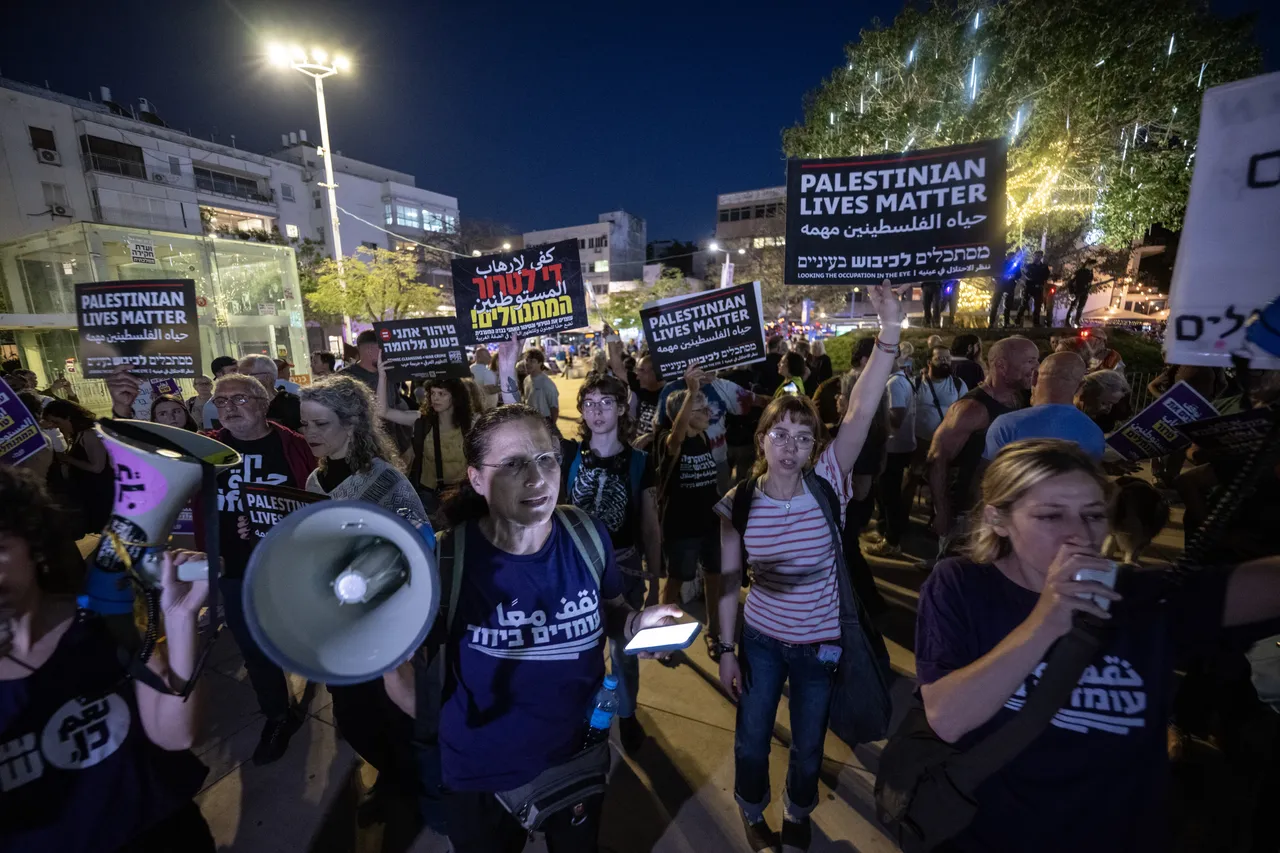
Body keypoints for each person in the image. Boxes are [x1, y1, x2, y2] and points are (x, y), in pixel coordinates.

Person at [914, 438, 1280, 852]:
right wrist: (1046, 620)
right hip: (991, 835)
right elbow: (947, 717)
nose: (1080, 534)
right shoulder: (962, 586)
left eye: (1093, 514)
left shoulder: (1145, 595)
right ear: (999, 518)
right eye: (1051, 515)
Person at [383, 397, 685, 853]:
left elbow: (612, 611)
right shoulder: (445, 560)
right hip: (480, 777)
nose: (537, 477)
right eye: (513, 464)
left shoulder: (586, 534)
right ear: (476, 479)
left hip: (576, 757)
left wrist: (639, 623)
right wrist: (454, 732)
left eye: (546, 458)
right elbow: (401, 671)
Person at [716, 279, 901, 851]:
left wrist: (890, 330)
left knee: (809, 745)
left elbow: (863, 409)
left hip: (821, 642)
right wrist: (725, 650)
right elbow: (726, 583)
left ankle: (798, 813)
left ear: (814, 443)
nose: (791, 445)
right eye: (780, 433)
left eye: (803, 435)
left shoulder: (829, 482)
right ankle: (752, 810)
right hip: (763, 640)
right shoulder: (739, 501)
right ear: (763, 438)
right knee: (751, 740)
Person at [0, 466, 216, 852]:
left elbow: (175, 734)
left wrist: (180, 619)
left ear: (32, 543)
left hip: (168, 834)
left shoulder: (99, 619)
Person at [141, 371, 316, 764]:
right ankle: (276, 715)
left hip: (289, 565)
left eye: (239, 399)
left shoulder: (295, 445)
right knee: (253, 649)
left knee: (304, 635)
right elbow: (153, 467)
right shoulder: (206, 448)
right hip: (232, 566)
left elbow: (315, 499)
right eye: (221, 401)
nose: (229, 408)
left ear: (264, 402)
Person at [297, 375, 434, 827]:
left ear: (352, 424)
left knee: (396, 716)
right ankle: (394, 776)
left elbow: (421, 546)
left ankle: (412, 786)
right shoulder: (314, 480)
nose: (309, 433)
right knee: (354, 720)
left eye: (320, 423)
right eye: (304, 423)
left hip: (389, 622)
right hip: (341, 623)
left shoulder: (384, 481)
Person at [561, 373, 662, 755]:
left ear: (622, 408)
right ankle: (583, 715)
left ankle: (628, 713)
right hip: (576, 571)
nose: (597, 411)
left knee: (625, 651)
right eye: (589, 403)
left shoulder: (640, 462)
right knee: (580, 651)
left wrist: (654, 578)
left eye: (606, 403)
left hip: (625, 567)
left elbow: (650, 526)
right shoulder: (570, 455)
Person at [928, 336, 1038, 551]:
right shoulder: (971, 408)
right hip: (969, 516)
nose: (1036, 367)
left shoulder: (1021, 399)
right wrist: (941, 512)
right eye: (1030, 361)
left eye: (1037, 360)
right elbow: (936, 457)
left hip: (1002, 511)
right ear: (1001, 365)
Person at [654, 365, 726, 656]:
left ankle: (715, 633)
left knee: (714, 577)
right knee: (674, 583)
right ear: (681, 414)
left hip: (709, 525)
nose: (707, 411)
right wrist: (691, 393)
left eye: (705, 406)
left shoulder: (705, 439)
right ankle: (662, 635)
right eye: (699, 407)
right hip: (681, 528)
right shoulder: (670, 442)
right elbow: (676, 437)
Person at [376, 362, 472, 517]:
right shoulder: (422, 421)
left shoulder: (470, 424)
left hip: (462, 493)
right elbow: (382, 411)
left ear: (455, 397)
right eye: (432, 393)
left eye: (442, 394)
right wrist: (382, 377)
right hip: (429, 493)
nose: (435, 398)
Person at [984, 353, 1102, 461]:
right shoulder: (1094, 432)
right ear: (1080, 386)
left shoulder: (1005, 426)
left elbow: (991, 477)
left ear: (1034, 377)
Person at [867, 344, 918, 559]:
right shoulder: (900, 380)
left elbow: (895, 419)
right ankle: (888, 532)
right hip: (900, 446)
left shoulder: (894, 384)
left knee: (889, 496)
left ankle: (891, 540)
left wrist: (873, 414)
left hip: (894, 447)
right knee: (888, 494)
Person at [41, 399, 113, 536]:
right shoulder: (77, 435)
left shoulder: (89, 434)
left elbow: (97, 467)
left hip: (101, 493)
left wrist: (68, 459)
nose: (56, 427)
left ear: (68, 417)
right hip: (91, 492)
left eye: (57, 422)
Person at [914, 345, 969, 449]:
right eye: (939, 358)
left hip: (948, 442)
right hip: (921, 442)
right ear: (929, 362)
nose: (944, 361)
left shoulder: (958, 384)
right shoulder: (916, 384)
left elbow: (964, 413)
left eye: (947, 358)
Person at [238, 355, 302, 432]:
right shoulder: (238, 405)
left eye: (246, 376)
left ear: (267, 378)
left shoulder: (292, 404)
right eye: (238, 377)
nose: (239, 382)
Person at [628, 354, 665, 449]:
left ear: (655, 372)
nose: (637, 377)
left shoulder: (671, 396)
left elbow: (678, 432)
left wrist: (651, 437)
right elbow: (617, 368)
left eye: (641, 370)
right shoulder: (642, 391)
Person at [522, 347, 560, 425]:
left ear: (540, 363)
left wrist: (552, 427)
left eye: (532, 361)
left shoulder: (547, 383)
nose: (528, 363)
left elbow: (554, 408)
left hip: (544, 421)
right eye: (527, 360)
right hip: (530, 420)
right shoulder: (526, 380)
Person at [201, 356, 240, 429]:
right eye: (233, 370)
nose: (239, 374)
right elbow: (213, 435)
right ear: (220, 374)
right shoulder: (211, 407)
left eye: (239, 370)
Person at [1017, 250, 1050, 327]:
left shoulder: (1044, 267)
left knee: (1037, 306)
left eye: (1038, 256)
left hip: (1038, 288)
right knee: (1024, 304)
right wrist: (1035, 277)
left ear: (1041, 257)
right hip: (1029, 287)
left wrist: (1036, 278)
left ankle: (1036, 323)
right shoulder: (1029, 266)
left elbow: (1045, 277)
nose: (1037, 257)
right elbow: (1028, 276)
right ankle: (1017, 320)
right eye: (1035, 256)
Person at [989, 252, 1022, 329]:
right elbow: (994, 274)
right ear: (1007, 256)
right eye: (1010, 256)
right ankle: (991, 323)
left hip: (1010, 287)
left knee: (1008, 306)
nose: (1012, 258)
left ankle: (1006, 323)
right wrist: (998, 279)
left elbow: (1019, 275)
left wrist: (1014, 277)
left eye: (1013, 257)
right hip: (1000, 286)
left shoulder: (1015, 265)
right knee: (995, 305)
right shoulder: (1000, 264)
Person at [469, 346, 500, 410]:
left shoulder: (470, 368)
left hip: (476, 406)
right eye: (487, 355)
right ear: (479, 357)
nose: (490, 357)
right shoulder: (486, 372)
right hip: (487, 408)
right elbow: (490, 390)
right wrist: (505, 387)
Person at [1068, 259, 1095, 327]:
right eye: (1092, 265)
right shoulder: (1079, 271)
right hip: (1077, 292)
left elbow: (1089, 283)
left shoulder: (1090, 273)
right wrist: (1071, 292)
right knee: (1073, 306)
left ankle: (1077, 321)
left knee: (1081, 308)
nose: (1093, 267)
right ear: (1088, 264)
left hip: (1085, 293)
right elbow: (1070, 282)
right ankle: (1068, 321)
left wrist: (1088, 288)